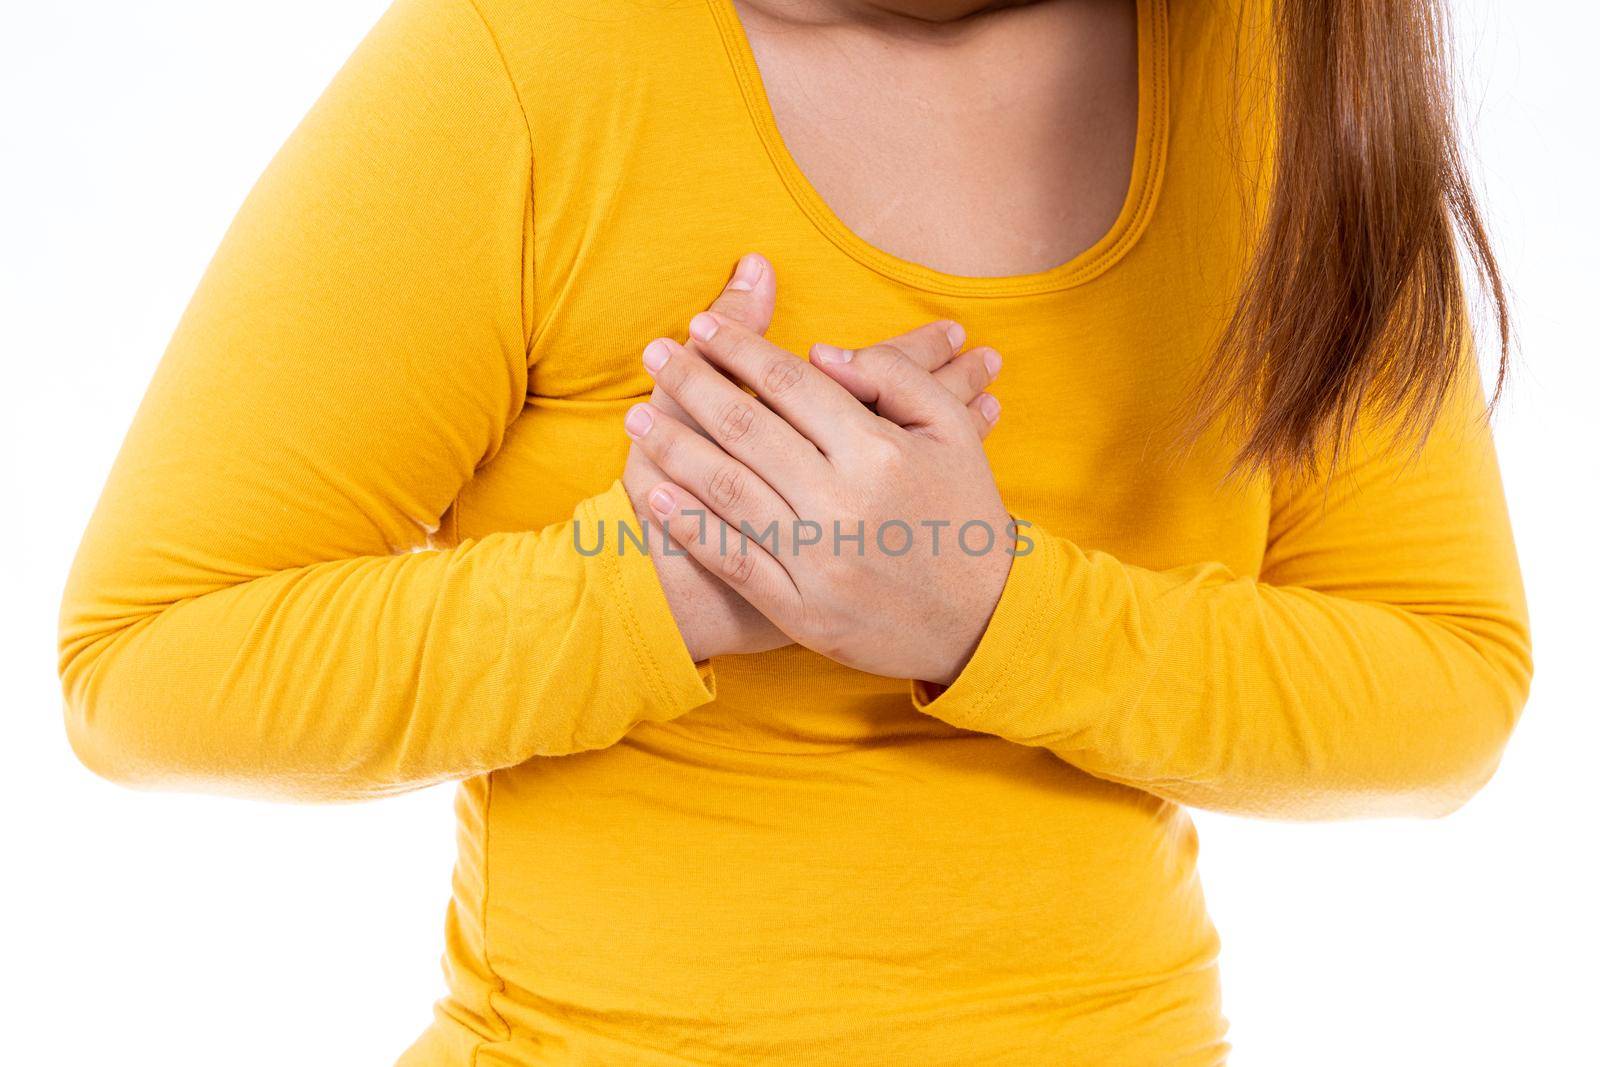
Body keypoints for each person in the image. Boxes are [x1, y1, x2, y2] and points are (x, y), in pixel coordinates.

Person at [58, 0, 1532, 1063]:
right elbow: (144, 670)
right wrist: (657, 582)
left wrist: (980, 602)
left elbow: (1444, 692)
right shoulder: (529, 60)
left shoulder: (1279, 83)